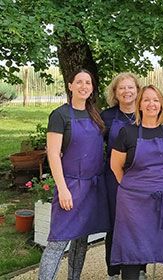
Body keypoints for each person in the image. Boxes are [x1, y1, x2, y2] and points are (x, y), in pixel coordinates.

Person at [38, 69, 110, 280]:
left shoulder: (95, 114)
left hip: (92, 187)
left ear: (92, 87)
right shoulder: (59, 115)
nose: (83, 86)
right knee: (57, 242)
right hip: (70, 186)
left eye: (87, 82)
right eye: (79, 82)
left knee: (81, 241)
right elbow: (53, 154)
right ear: (70, 86)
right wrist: (62, 189)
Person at [110, 85, 163, 280]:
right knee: (132, 252)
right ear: (140, 105)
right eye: (147, 100)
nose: (151, 104)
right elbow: (115, 166)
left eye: (156, 100)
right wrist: (134, 189)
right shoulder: (128, 133)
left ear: (161, 104)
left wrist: (158, 184)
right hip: (133, 203)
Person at [101, 73, 147, 280]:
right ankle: (113, 272)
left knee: (141, 224)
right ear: (115, 93)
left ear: (138, 91)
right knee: (115, 225)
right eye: (122, 88)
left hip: (142, 178)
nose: (127, 92)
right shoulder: (106, 117)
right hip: (114, 178)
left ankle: (140, 270)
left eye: (131, 88)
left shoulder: (147, 114)